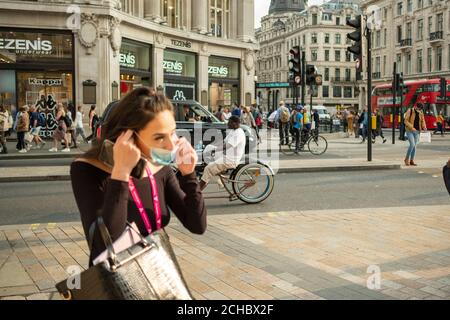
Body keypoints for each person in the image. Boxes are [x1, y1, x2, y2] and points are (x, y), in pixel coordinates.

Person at [70, 87, 206, 267]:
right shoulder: (86, 169)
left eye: (172, 133)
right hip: (117, 281)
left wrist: (189, 175)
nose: (170, 145)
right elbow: (105, 244)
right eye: (159, 138)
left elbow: (197, 225)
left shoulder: (159, 166)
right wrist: (121, 173)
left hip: (158, 271)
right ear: (129, 136)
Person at [199, 116, 245, 191]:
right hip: (225, 155)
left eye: (229, 122)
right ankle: (216, 177)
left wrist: (215, 150)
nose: (227, 124)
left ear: (235, 123)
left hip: (230, 159)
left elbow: (227, 146)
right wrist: (212, 147)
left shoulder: (239, 133)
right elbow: (223, 142)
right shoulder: (233, 131)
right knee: (208, 148)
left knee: (208, 169)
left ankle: (197, 191)